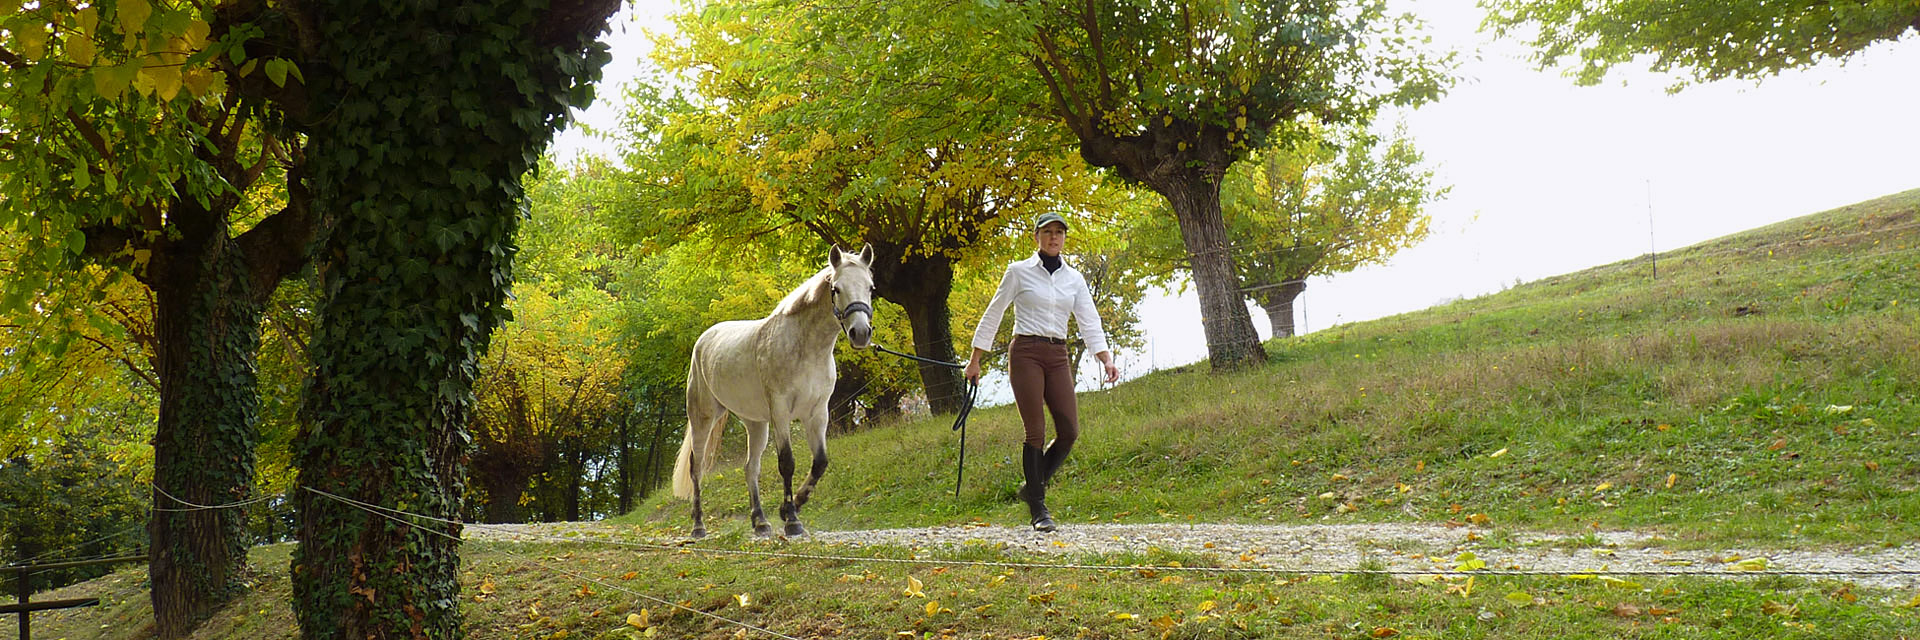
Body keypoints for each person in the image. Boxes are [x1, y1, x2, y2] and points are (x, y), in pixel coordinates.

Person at [964, 211, 1120, 532]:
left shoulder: (1074, 279)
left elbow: (1089, 320)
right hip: (1026, 353)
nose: (1053, 237)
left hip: (1058, 354)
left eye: (1059, 232)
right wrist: (975, 358)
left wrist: (1106, 359)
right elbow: (994, 312)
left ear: (1064, 238)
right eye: (1047, 232)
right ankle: (1038, 508)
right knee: (1035, 430)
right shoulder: (1018, 272)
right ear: (1036, 236)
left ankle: (1034, 484)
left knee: (1070, 430)